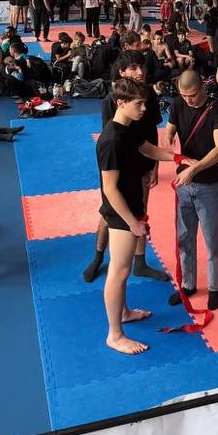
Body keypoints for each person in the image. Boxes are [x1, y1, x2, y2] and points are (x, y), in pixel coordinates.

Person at [97, 78, 194, 355]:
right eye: (138, 104)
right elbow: (109, 189)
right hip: (120, 213)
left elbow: (148, 149)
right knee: (119, 271)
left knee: (122, 269)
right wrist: (133, 223)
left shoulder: (128, 128)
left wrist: (177, 158)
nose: (144, 109)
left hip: (132, 205)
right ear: (121, 103)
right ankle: (115, 335)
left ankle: (124, 312)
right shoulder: (111, 140)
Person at [83, 51, 171, 283]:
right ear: (122, 73)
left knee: (141, 211)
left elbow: (151, 132)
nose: (140, 72)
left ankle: (140, 262)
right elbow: (111, 139)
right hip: (119, 167)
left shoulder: (148, 95)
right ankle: (98, 256)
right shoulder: (111, 102)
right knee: (109, 213)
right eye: (133, 68)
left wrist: (155, 165)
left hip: (143, 162)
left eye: (141, 66)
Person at [162, 70, 218, 310]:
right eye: (184, 95)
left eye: (192, 95)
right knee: (184, 238)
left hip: (209, 186)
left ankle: (214, 287)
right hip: (184, 185)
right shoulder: (177, 104)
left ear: (202, 88)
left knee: (212, 241)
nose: (188, 100)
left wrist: (194, 168)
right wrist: (168, 136)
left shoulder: (215, 109)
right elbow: (170, 127)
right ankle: (188, 283)